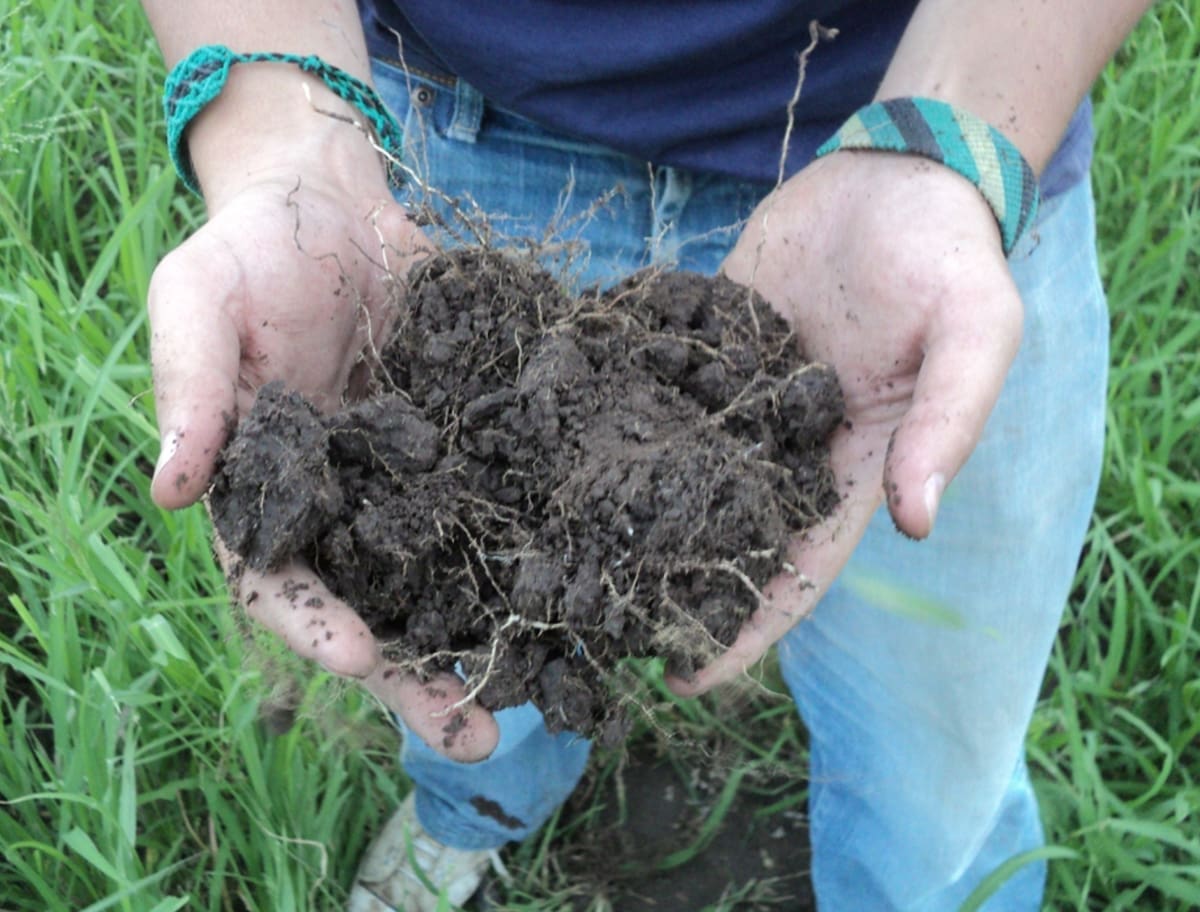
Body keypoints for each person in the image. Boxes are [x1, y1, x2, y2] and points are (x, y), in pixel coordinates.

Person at [141, 1, 1151, 909]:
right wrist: (279, 144)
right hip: (441, 137)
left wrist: (953, 136)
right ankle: (474, 819)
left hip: (936, 127)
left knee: (936, 735)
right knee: (454, 643)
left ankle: (926, 890)